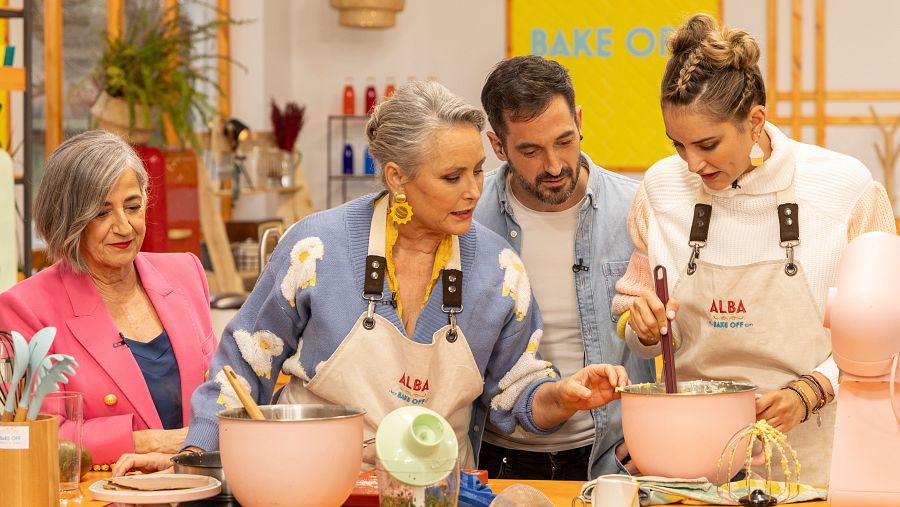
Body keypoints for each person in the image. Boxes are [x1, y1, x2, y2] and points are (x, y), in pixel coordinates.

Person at [113, 80, 630, 476]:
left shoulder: (497, 271)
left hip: (437, 492)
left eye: (477, 170)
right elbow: (241, 367)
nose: (473, 191)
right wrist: (195, 455)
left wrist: (565, 395)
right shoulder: (316, 249)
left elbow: (511, 398)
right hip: (311, 485)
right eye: (451, 177)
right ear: (396, 177)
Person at [612, 14, 896, 485]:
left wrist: (809, 392)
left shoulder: (844, 190)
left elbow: (889, 335)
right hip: (694, 464)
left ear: (755, 120)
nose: (693, 163)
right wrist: (640, 324)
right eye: (678, 145)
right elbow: (631, 312)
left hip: (818, 458)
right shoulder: (659, 191)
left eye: (707, 144)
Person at [473, 55, 655, 481]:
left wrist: (656, 434)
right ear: (498, 146)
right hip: (495, 455)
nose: (554, 166)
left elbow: (678, 336)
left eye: (564, 140)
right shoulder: (468, 222)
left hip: (612, 459)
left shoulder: (638, 209)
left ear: (579, 120)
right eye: (530, 150)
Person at [0, 130, 216, 467]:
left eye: (133, 207)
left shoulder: (186, 273)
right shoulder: (25, 308)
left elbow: (218, 389)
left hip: (199, 486)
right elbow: (29, 433)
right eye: (101, 214)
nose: (125, 227)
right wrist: (150, 441)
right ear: (67, 220)